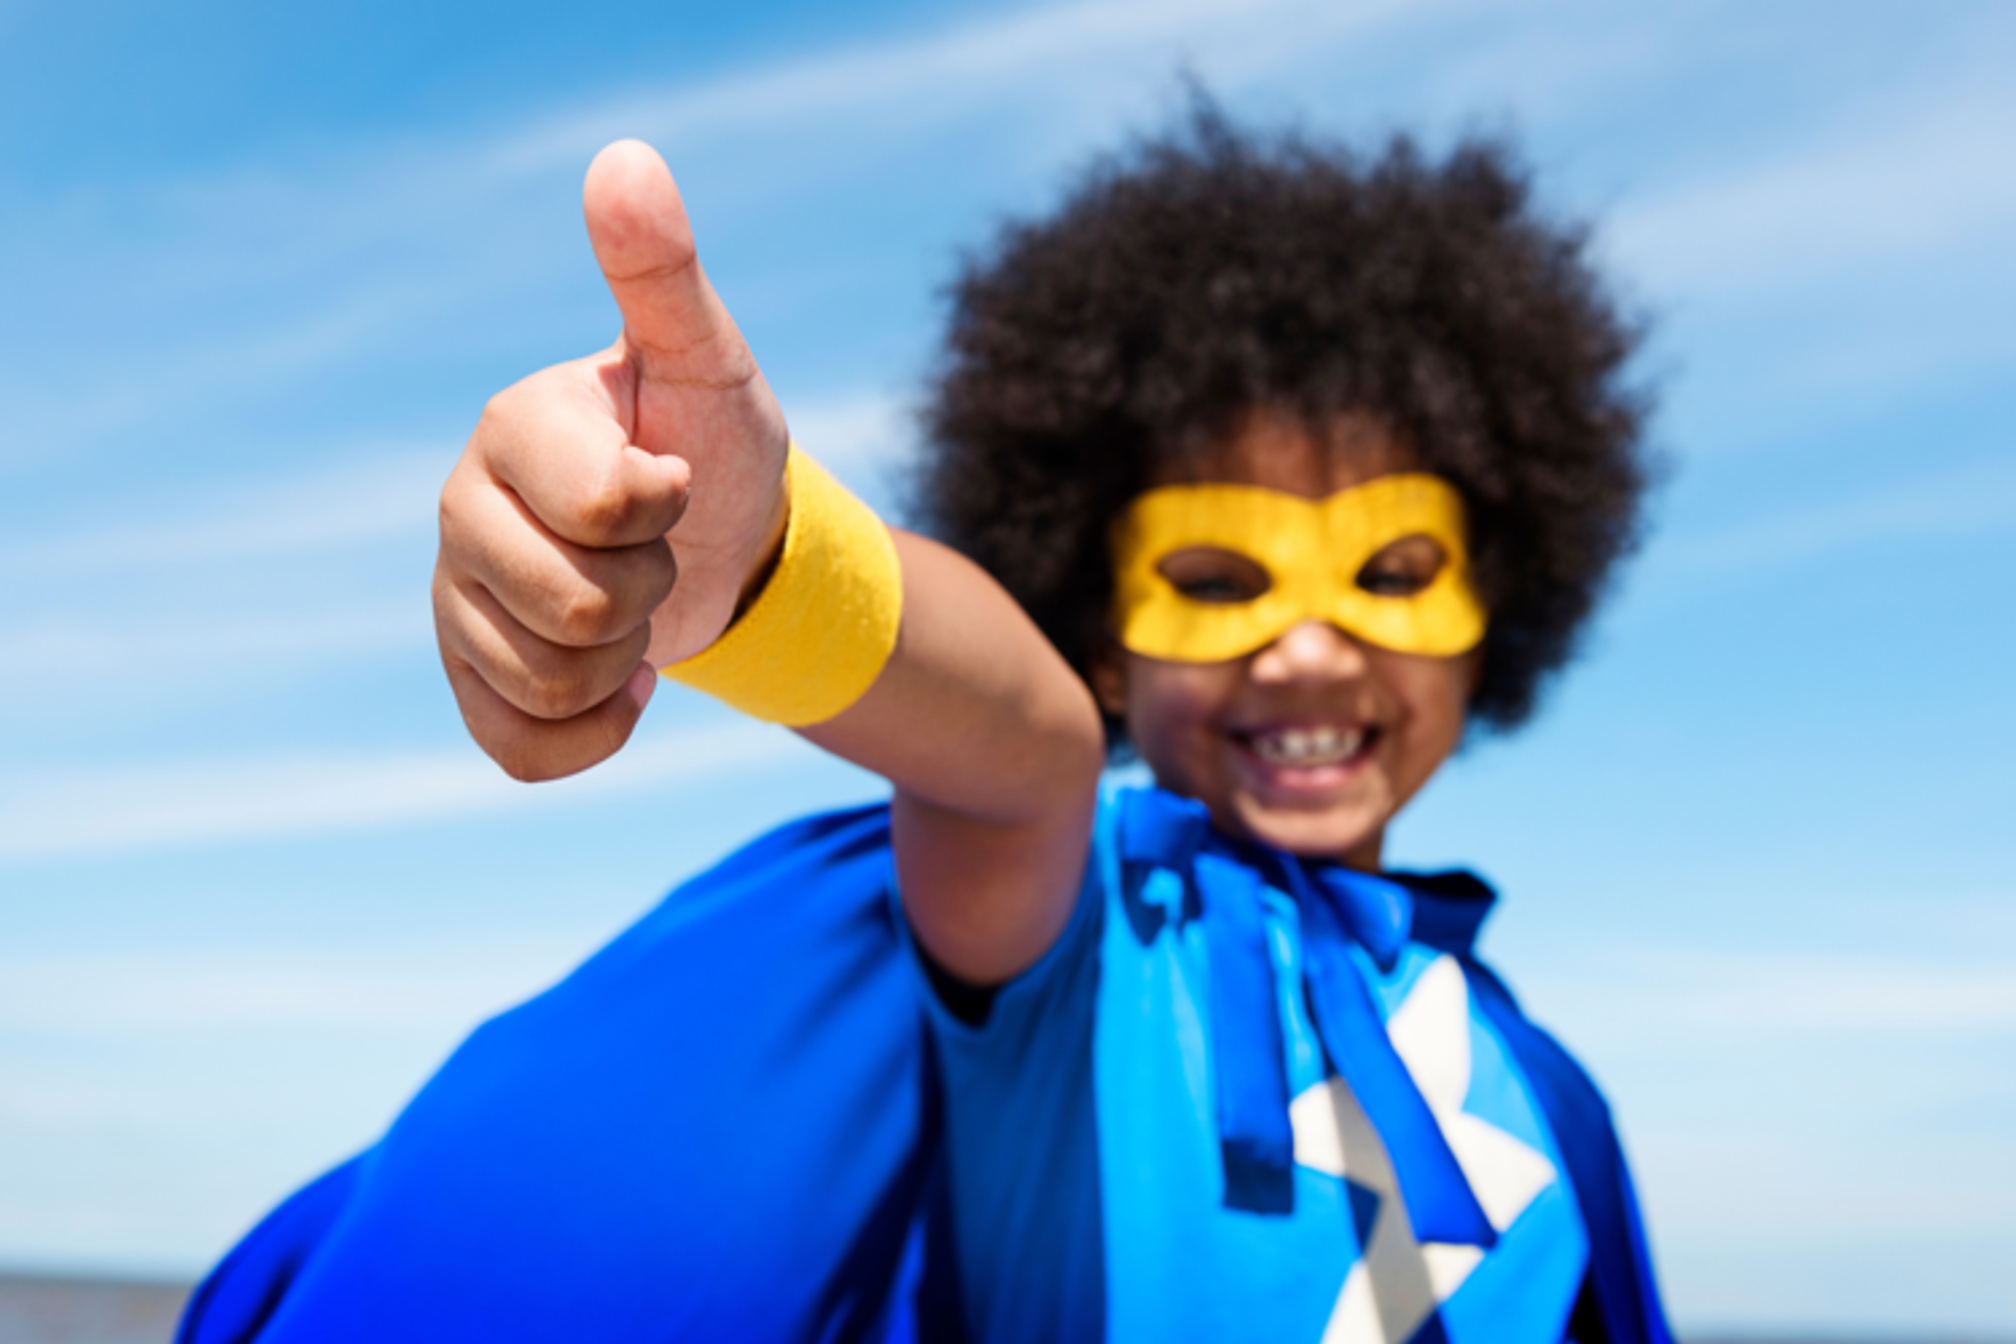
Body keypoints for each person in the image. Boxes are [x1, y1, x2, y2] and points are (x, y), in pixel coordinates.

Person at [179, 107, 1670, 1344]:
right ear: (1106, 641)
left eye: (1394, 573)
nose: (1309, 649)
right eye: (1216, 582)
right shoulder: (1082, 927)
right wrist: (769, 567)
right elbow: (1017, 747)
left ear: (1498, 600)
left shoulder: (1555, 1107)